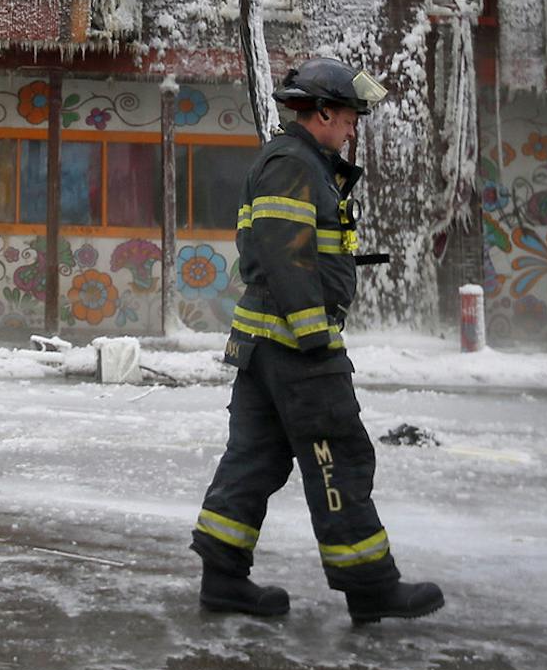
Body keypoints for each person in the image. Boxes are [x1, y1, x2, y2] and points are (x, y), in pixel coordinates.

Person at [190, 56, 445, 625]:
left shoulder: (300, 163)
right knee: (340, 456)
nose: (354, 126)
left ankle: (223, 579)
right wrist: (316, 337)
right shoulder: (294, 165)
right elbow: (286, 255)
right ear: (323, 110)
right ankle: (371, 586)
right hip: (294, 346)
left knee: (254, 460)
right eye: (351, 115)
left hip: (266, 346)